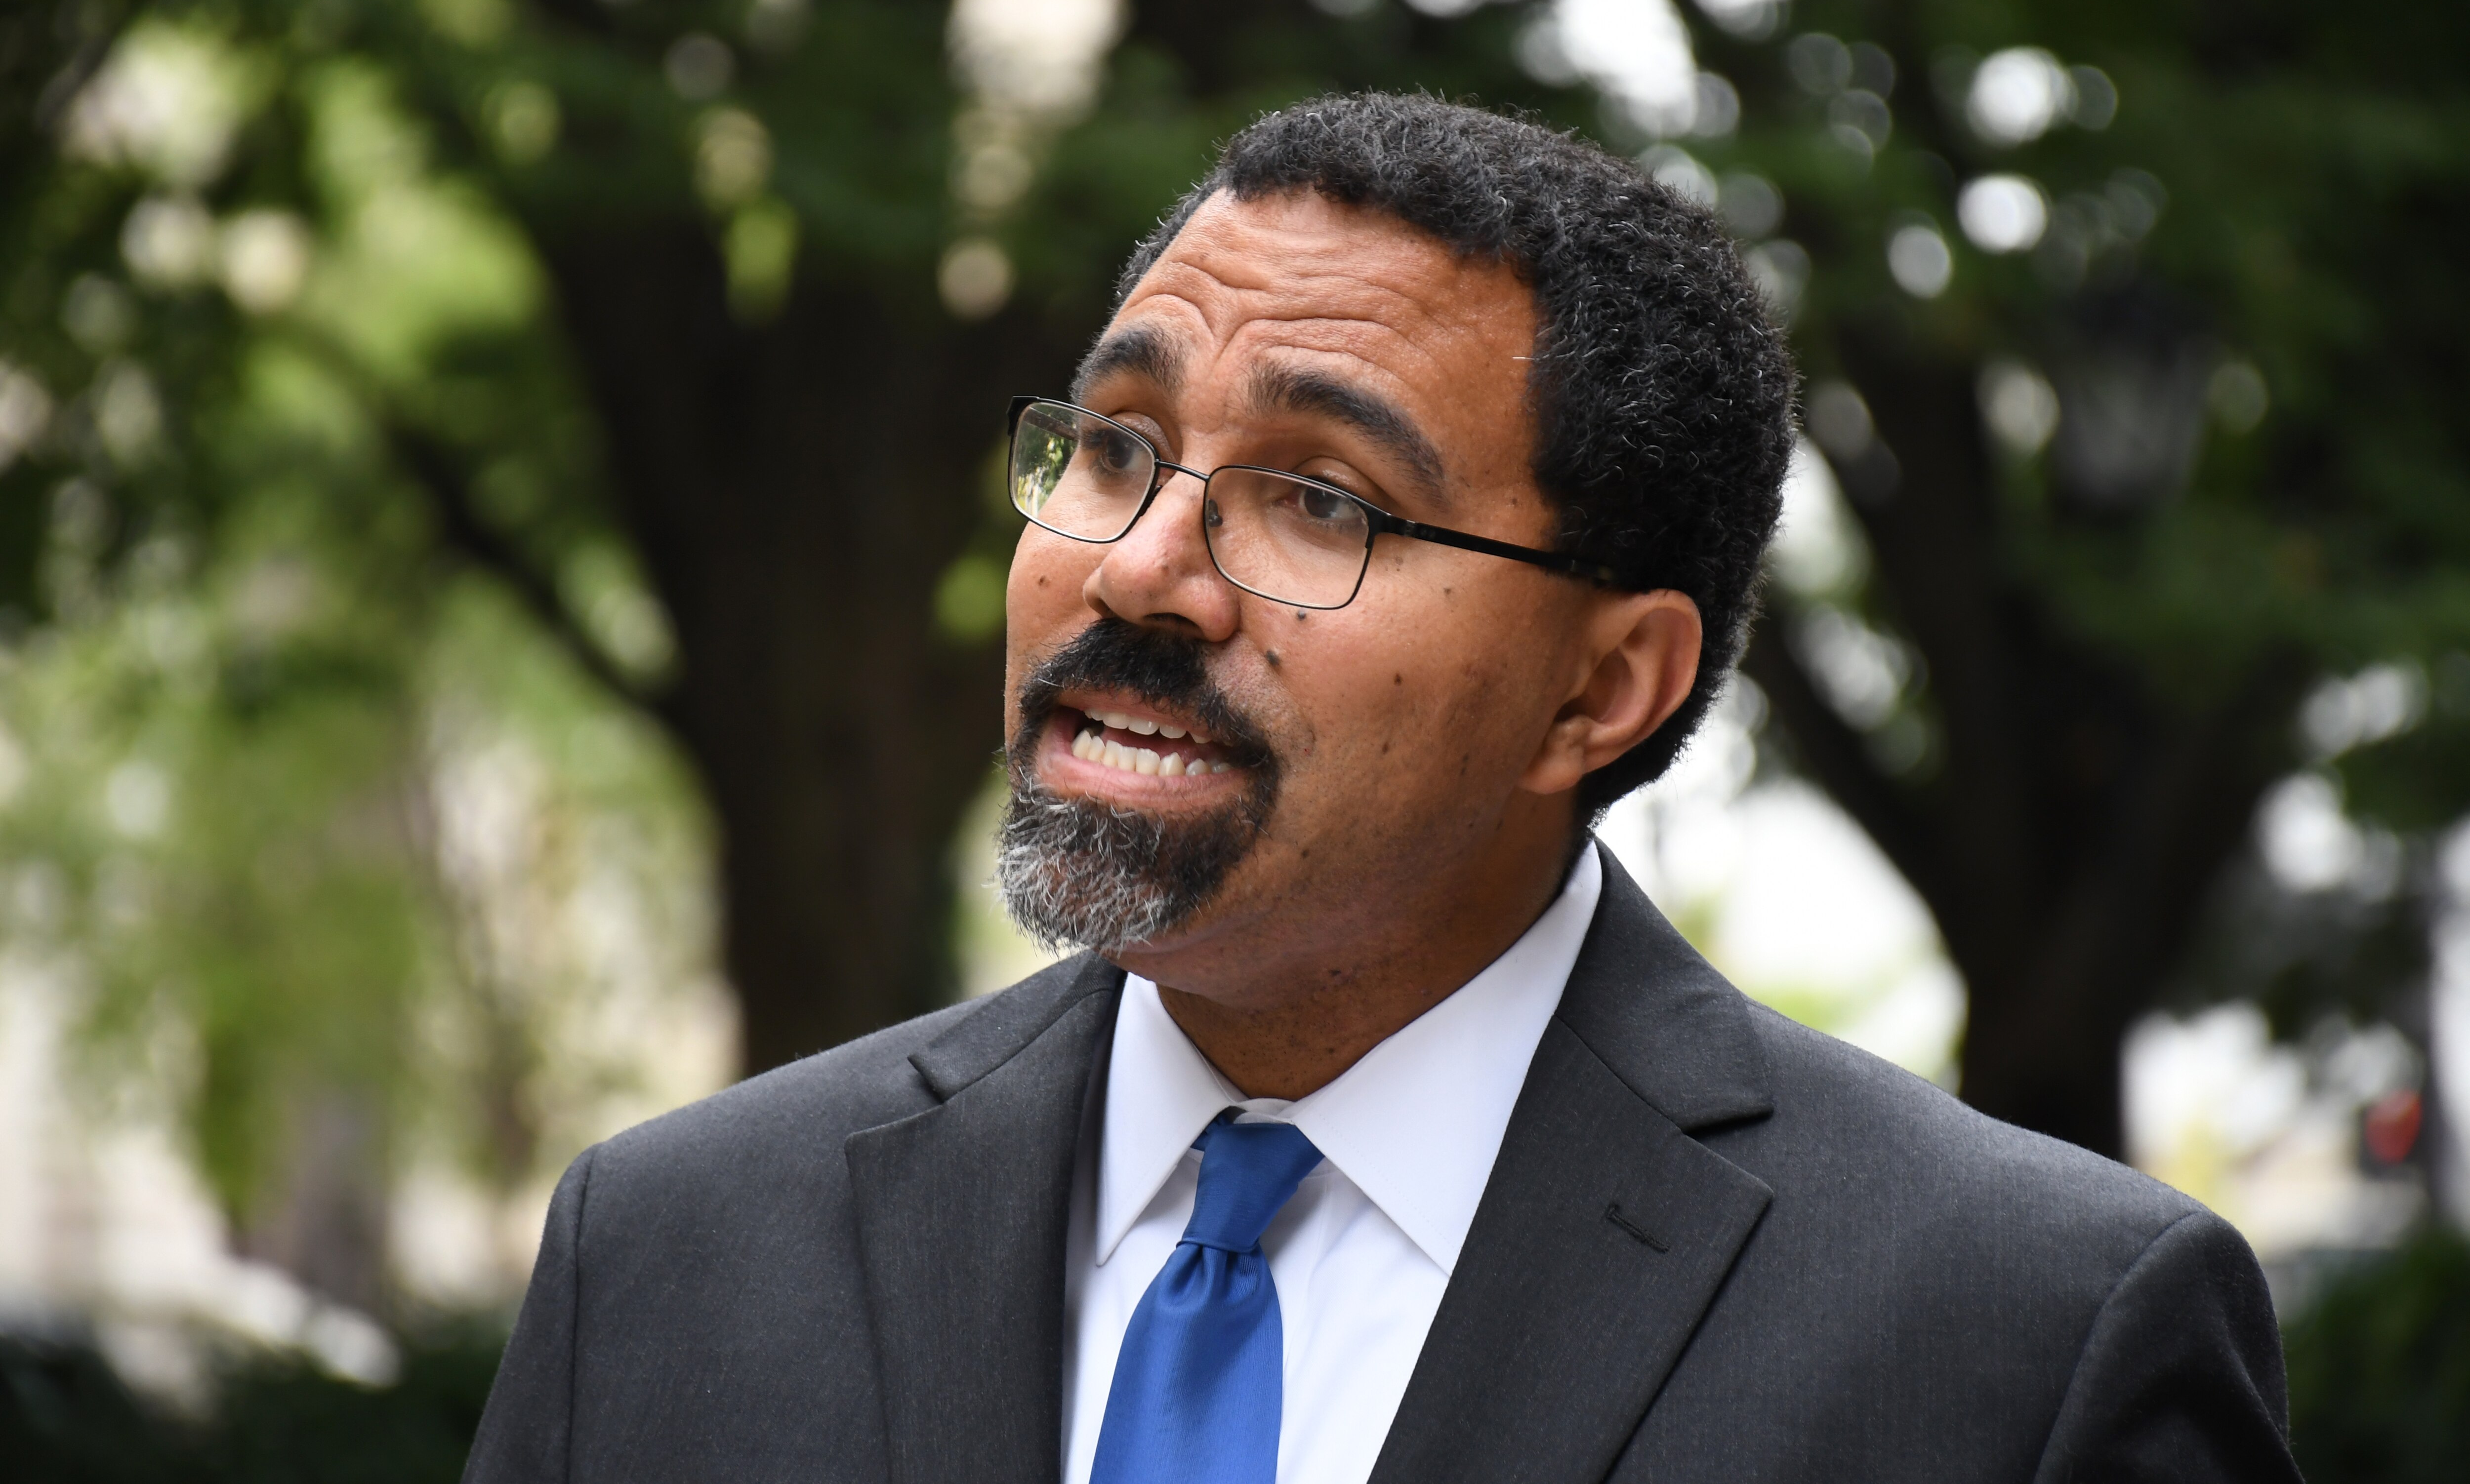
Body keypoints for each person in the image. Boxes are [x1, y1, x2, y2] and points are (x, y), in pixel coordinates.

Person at [464, 94, 2298, 1484]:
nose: (1134, 569)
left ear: (1604, 689)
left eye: (1318, 499)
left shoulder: (2027, 1348)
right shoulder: (671, 1259)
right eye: (1115, 449)